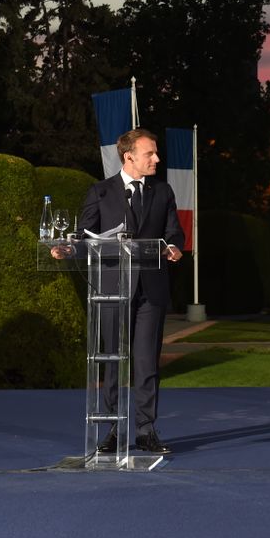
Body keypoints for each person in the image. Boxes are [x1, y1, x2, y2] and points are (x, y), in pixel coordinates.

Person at [75, 128, 183, 455]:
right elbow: (84, 235)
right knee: (113, 362)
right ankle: (111, 430)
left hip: (151, 290)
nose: (157, 159)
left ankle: (146, 430)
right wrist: (68, 248)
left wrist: (175, 246)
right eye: (150, 153)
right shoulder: (101, 192)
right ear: (129, 156)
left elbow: (173, 231)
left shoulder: (162, 192)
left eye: (156, 153)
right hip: (112, 288)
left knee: (147, 361)